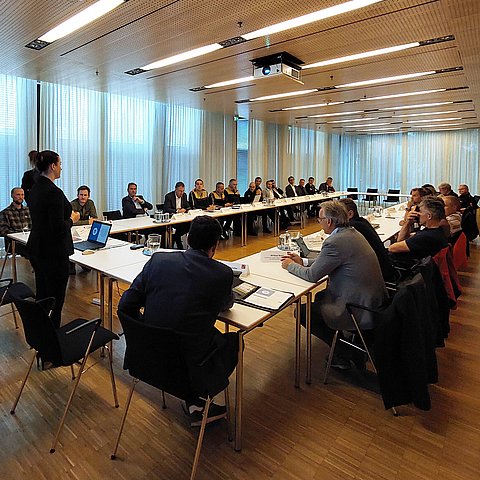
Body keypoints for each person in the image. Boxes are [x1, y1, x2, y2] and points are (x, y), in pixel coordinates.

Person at [118, 216, 238, 425]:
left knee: (186, 331)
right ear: (215, 246)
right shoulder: (222, 273)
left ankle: (194, 402)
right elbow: (226, 304)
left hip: (146, 357)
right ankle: (197, 398)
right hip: (186, 366)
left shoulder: (158, 260)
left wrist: (144, 333)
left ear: (188, 239)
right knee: (235, 342)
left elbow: (125, 305)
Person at [281, 201, 387, 369]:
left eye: (320, 219)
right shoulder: (352, 233)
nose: (319, 222)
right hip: (373, 300)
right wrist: (303, 261)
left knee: (302, 312)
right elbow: (329, 261)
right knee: (320, 296)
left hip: (358, 307)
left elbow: (312, 276)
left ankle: (345, 353)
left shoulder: (335, 241)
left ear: (329, 221)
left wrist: (290, 266)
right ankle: (346, 341)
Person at [27, 150, 80, 328]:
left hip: (37, 248)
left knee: (43, 294)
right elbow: (57, 228)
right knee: (55, 299)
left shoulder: (35, 188)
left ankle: (41, 334)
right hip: (53, 253)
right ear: (52, 166)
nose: (61, 168)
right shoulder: (53, 192)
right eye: (60, 164)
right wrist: (72, 219)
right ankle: (52, 337)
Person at [339, 198, 397, 282]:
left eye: (337, 215)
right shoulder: (362, 221)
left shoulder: (352, 228)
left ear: (350, 214)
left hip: (377, 276)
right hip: (385, 269)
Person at [388, 197, 448, 263]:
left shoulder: (426, 236)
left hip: (404, 265)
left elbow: (392, 248)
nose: (417, 215)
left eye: (420, 212)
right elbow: (400, 240)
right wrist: (408, 222)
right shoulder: (437, 231)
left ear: (429, 216)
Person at [0, 187, 31, 257]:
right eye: (18, 195)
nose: (21, 197)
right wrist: (17, 235)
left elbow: (35, 226)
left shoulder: (28, 211)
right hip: (13, 242)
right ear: (12, 196)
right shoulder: (5, 212)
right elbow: (2, 230)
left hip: (28, 240)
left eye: (22, 195)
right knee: (32, 249)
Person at [164, 181, 191, 249]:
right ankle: (178, 243)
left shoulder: (184, 195)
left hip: (182, 218)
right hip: (173, 219)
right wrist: (177, 211)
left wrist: (185, 209)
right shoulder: (169, 196)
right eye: (180, 191)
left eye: (183, 191)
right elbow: (166, 209)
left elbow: (188, 206)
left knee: (190, 224)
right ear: (175, 189)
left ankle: (175, 238)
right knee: (180, 227)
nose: (182, 193)